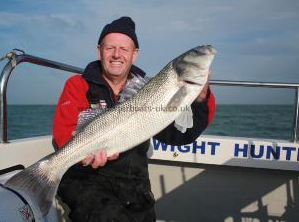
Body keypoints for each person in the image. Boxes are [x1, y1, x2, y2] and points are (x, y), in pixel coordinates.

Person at [53, 16, 216, 222]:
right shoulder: (78, 84)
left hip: (134, 187)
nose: (116, 55)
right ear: (99, 50)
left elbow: (181, 135)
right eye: (109, 48)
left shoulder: (150, 90)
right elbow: (64, 133)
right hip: (85, 178)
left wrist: (200, 101)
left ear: (134, 55)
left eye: (124, 49)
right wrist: (82, 154)